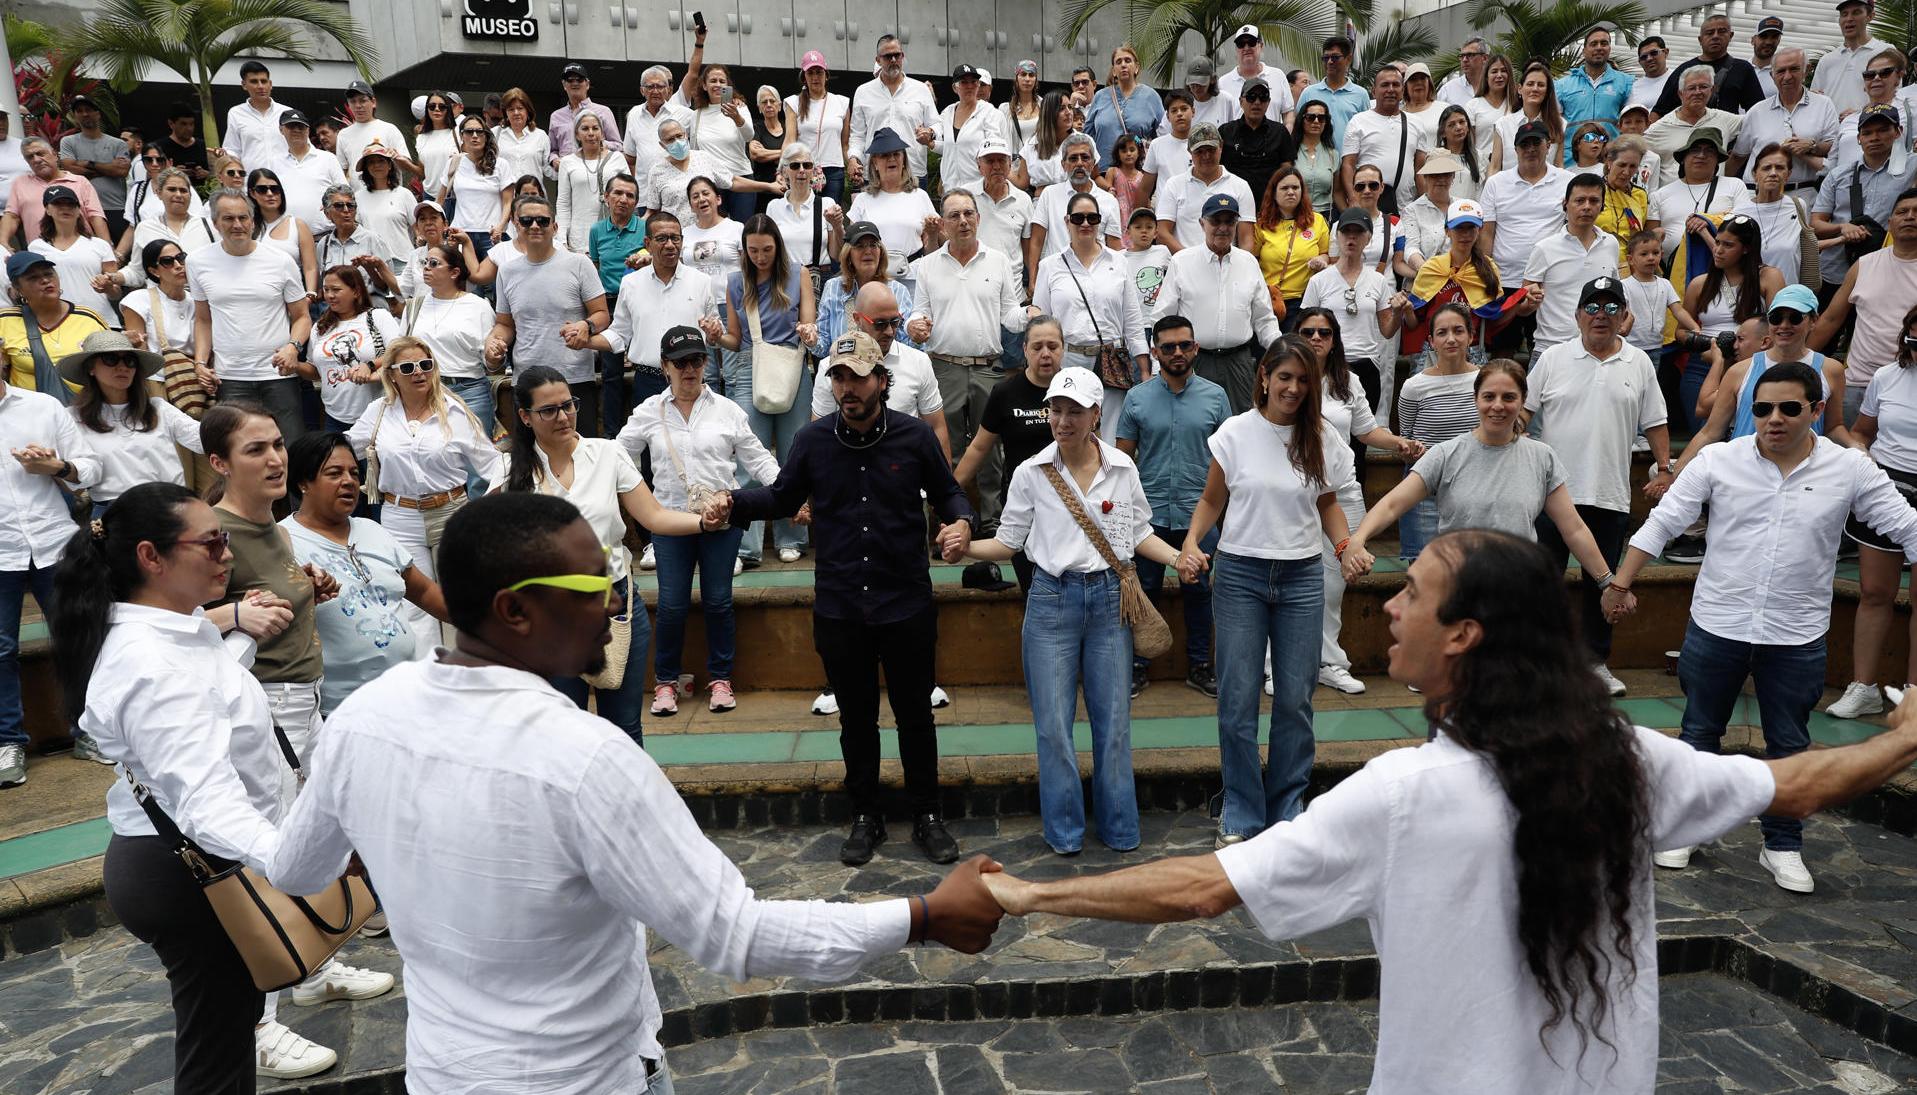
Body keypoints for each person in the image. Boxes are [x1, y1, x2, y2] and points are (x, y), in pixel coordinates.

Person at [980, 514, 1917, 1091]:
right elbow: (1795, 781)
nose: (1388, 603)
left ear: (1463, 634)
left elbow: (1202, 889)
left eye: (1414, 593)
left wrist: (1027, 896)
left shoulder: (1402, 795)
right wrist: (1907, 736)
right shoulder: (1626, 755)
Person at [265, 488, 1004, 1092]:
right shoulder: (582, 758)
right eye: (599, 587)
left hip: (443, 1075)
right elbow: (733, 933)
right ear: (515, 609)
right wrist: (922, 914)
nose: (619, 603)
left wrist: (400, 846)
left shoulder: (364, 719)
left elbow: (296, 869)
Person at [1608, 360, 1917, 895]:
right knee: (1700, 733)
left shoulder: (1850, 469)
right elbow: (1664, 520)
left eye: (1789, 408)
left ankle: (1782, 843)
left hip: (1796, 634)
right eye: (1762, 408)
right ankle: (1687, 828)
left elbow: (1906, 524)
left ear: (1816, 412)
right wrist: (1620, 584)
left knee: (1789, 742)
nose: (1773, 419)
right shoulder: (1719, 460)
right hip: (1717, 623)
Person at [48, 482, 289, 1083]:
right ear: (151, 557)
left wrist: (240, 637)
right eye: (210, 543)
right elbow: (205, 800)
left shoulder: (172, 633)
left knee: (226, 1032)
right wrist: (294, 861)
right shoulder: (152, 662)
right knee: (217, 1051)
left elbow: (201, 699)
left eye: (225, 539)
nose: (226, 554)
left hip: (186, 860)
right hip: (187, 869)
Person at [716, 330, 976, 866]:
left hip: (905, 602)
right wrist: (732, 502)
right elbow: (783, 496)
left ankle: (927, 814)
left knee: (914, 716)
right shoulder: (812, 442)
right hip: (840, 607)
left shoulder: (913, 437)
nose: (848, 387)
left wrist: (963, 522)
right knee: (855, 720)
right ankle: (866, 816)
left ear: (883, 380)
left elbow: (949, 489)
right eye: (838, 376)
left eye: (858, 376)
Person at [960, 364, 1175, 854]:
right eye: (1056, 409)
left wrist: (1179, 557)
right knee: (1053, 727)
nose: (1062, 420)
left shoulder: (1123, 468)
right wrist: (967, 549)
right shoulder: (1031, 471)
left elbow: (1139, 533)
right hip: (1051, 599)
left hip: (1109, 602)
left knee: (1114, 722)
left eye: (1074, 411)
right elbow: (1009, 541)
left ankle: (1120, 827)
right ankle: (1064, 831)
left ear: (1096, 414)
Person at [1175, 336, 1354, 845]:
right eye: (1285, 377)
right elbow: (1213, 500)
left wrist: (1345, 547)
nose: (1293, 388)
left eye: (1303, 380)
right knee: (1236, 700)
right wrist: (1190, 541)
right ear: (1264, 377)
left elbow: (1328, 506)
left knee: (1296, 699)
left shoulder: (1321, 437)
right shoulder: (1235, 433)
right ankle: (1241, 807)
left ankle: (1287, 805)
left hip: (1300, 576)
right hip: (1239, 576)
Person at [504, 365, 708, 739]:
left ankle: (631, 799)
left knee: (625, 726)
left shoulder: (608, 453)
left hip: (615, 605)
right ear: (525, 417)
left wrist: (705, 523)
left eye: (569, 405)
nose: (563, 416)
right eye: (549, 410)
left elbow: (655, 516)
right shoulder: (510, 470)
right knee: (565, 730)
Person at [1526, 276, 1671, 696]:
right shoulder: (1553, 358)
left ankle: (1595, 663)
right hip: (1551, 497)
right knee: (1542, 584)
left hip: (1610, 493)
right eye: (1592, 307)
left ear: (1625, 317)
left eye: (1611, 308)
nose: (1601, 316)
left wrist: (1664, 467)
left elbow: (1656, 421)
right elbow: (1524, 411)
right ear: (1577, 315)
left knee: (1602, 588)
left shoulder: (1640, 362)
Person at [619, 326, 774, 711]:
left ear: (706, 362)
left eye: (696, 360)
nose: (689, 369)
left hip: (721, 520)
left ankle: (721, 679)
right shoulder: (647, 412)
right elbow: (618, 457)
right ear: (664, 366)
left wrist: (791, 493)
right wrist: (635, 500)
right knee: (671, 603)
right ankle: (665, 682)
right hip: (670, 521)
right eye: (680, 362)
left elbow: (758, 459)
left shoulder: (728, 410)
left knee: (718, 600)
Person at [1346, 357, 1606, 582]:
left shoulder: (1542, 457)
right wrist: (1359, 539)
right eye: (1489, 396)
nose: (1498, 406)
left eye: (1509, 397)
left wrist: (1607, 581)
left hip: (1518, 591)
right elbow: (1393, 504)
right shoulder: (1446, 454)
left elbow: (1573, 528)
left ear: (1523, 401)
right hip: (1458, 589)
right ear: (1476, 398)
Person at [283, 431, 446, 715]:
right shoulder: (283, 541)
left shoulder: (373, 531)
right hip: (338, 708)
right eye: (334, 473)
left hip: (405, 696)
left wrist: (489, 625)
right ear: (303, 482)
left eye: (354, 473)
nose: (349, 481)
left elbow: (427, 593)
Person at [1116, 316, 1232, 698]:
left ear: (1196, 347)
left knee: (1200, 593)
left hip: (1200, 514)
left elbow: (1230, 462)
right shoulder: (1136, 398)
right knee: (1142, 589)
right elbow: (1122, 462)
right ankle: (1137, 665)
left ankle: (1200, 665)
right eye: (1168, 347)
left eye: (1185, 345)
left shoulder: (1216, 397)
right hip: (1147, 517)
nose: (1178, 353)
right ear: (1155, 352)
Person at [0, 350, 98, 784]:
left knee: (77, 637)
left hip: (53, 542)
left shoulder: (42, 406)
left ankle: (91, 728)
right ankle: (8, 743)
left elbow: (91, 469)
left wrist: (56, 466)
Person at [703, 215, 816, 567]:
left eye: (767, 249)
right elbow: (735, 341)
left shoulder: (797, 274)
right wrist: (715, 335)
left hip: (793, 366)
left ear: (778, 246)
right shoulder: (736, 282)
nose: (760, 257)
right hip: (752, 365)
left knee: (793, 456)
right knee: (749, 458)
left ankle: (792, 537)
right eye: (753, 250)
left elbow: (808, 323)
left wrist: (808, 332)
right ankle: (745, 546)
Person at [908, 188, 1026, 511]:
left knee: (989, 449)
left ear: (979, 218)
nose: (962, 221)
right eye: (954, 215)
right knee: (946, 448)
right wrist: (913, 325)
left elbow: (1011, 316)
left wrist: (1031, 314)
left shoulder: (999, 261)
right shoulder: (928, 265)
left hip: (988, 368)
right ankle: (950, 517)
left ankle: (991, 521)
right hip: (943, 368)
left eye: (968, 213)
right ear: (943, 224)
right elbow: (919, 312)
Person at [1829, 304, 1917, 720]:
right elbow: (1863, 431)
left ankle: (1914, 698)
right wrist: (1861, 456)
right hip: (1886, 488)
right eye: (1914, 341)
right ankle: (1863, 687)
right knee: (1874, 592)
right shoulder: (1886, 377)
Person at [188, 189, 311, 442]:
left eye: (243, 218)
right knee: (242, 449)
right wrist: (200, 362)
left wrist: (293, 347)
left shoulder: (280, 260)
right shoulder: (197, 261)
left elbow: (302, 316)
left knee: (291, 448)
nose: (237, 225)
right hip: (230, 376)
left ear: (253, 221)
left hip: (278, 374)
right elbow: (203, 319)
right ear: (215, 223)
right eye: (228, 218)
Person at [486, 194, 610, 434]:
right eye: (527, 220)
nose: (535, 226)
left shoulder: (579, 264)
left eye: (542, 221)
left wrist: (586, 326)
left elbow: (602, 314)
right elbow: (505, 324)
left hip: (573, 377)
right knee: (530, 460)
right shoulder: (507, 272)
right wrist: (494, 341)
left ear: (555, 227)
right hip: (527, 379)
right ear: (515, 225)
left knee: (579, 456)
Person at [1153, 193, 1281, 417]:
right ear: (1202, 224)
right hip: (1194, 362)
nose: (1223, 228)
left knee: (1242, 426)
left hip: (1239, 362)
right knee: (1193, 425)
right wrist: (1159, 364)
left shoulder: (1249, 262)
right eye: (1216, 221)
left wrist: (1282, 349)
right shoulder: (1181, 262)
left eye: (1229, 221)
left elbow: (1264, 319)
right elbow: (1162, 319)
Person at [1032, 190, 1149, 432]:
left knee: (1111, 435)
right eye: (1078, 218)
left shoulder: (1119, 262)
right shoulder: (1049, 266)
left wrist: (1145, 370)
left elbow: (1133, 322)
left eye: (1092, 218)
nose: (1085, 224)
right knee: (1071, 431)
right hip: (1069, 359)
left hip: (1112, 359)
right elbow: (1042, 325)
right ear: (1067, 221)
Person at [1814, 189, 1917, 424]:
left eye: (1916, 212)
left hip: (1910, 385)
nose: (1910, 216)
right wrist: (1798, 362)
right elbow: (1831, 319)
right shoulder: (1864, 265)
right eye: (1902, 212)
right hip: (1857, 384)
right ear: (1889, 223)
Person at [1478, 122, 1570, 354]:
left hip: (1549, 283)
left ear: (1548, 145)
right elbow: (1487, 232)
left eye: (1536, 143)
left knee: (1547, 352)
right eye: (1524, 144)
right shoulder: (1496, 183)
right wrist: (1487, 278)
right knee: (1501, 353)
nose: (1530, 149)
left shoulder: (1567, 181)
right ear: (1515, 150)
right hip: (1506, 281)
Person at [1812, 105, 1917, 298]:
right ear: (1859, 139)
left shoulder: (1912, 166)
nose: (1874, 137)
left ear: (1898, 132)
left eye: (1883, 130)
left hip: (1890, 271)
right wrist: (1843, 227)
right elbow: (1816, 223)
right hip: (1837, 269)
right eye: (1867, 133)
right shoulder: (1838, 175)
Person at [1518, 171, 1618, 363]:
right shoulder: (1545, 248)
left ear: (1602, 205)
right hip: (1551, 349)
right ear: (1565, 204)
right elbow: (1522, 307)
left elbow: (1615, 291)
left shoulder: (1611, 244)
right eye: (1579, 201)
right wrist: (1529, 302)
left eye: (1594, 201)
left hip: (1599, 350)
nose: (1587, 207)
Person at [584, 173, 647, 433]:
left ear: (636, 202)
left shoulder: (645, 228)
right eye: (618, 193)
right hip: (609, 304)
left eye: (630, 195)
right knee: (611, 373)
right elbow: (595, 268)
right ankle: (612, 433)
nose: (623, 199)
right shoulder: (597, 230)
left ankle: (644, 428)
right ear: (606, 197)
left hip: (642, 303)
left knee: (646, 367)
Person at [299, 264, 397, 431]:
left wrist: (370, 365)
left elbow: (400, 352)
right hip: (334, 417)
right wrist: (295, 366)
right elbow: (316, 372)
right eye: (326, 289)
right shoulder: (320, 327)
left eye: (336, 290)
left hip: (378, 415)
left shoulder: (377, 316)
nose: (330, 295)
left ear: (356, 291)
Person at [1729, 50, 1837, 193]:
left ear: (1806, 71)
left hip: (1802, 193)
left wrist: (1812, 146)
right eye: (1780, 71)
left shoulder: (1823, 104)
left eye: (1794, 69)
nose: (1787, 76)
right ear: (1772, 76)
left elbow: (1834, 147)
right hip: (1757, 194)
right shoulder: (1758, 110)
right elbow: (1738, 156)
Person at [0, 252, 108, 394]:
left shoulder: (88, 318)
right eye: (33, 278)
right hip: (31, 412)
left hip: (84, 409)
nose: (45, 280)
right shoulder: (5, 321)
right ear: (18, 288)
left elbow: (110, 366)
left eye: (49, 274)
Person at [848, 129, 939, 292]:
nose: (891, 159)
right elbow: (850, 247)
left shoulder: (920, 196)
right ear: (874, 162)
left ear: (904, 159)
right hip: (873, 281)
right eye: (884, 155)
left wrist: (933, 234)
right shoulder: (862, 200)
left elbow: (932, 253)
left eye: (896, 154)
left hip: (913, 279)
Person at [848, 35, 940, 190]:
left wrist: (930, 132)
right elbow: (857, 135)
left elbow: (937, 124)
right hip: (875, 174)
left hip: (913, 173)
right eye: (887, 56)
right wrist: (853, 158)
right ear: (878, 60)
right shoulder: (863, 92)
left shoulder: (920, 90)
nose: (893, 60)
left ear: (902, 56)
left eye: (897, 55)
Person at [1151, 124, 1255, 253]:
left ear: (1221, 146)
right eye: (1199, 151)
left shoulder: (1240, 186)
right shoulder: (1174, 185)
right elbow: (1162, 233)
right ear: (1189, 151)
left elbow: (1247, 239)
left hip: (1227, 266)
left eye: (1211, 150)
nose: (1206, 156)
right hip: (1185, 267)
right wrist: (1191, 261)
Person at [676, 62, 757, 223]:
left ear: (728, 86)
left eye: (722, 81)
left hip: (741, 176)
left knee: (743, 228)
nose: (717, 85)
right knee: (714, 228)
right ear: (704, 86)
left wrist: (736, 117)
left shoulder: (739, 108)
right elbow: (694, 151)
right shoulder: (697, 115)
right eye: (713, 81)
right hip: (712, 182)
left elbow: (749, 136)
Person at [29, 184, 118, 325]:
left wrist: (107, 287)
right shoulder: (35, 248)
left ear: (78, 211)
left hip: (100, 319)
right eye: (58, 204)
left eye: (71, 204)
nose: (65, 208)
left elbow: (116, 292)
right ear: (47, 209)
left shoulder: (100, 245)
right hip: (56, 323)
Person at [1253, 166, 1331, 323]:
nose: (1290, 192)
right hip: (1268, 300)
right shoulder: (1261, 224)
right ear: (1274, 193)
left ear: (1302, 191)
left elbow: (1325, 253)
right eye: (1284, 188)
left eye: (1295, 187)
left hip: (1303, 301)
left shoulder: (1317, 221)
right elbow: (1252, 260)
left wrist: (1322, 260)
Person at [1029, 134, 1122, 264]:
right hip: (1057, 276)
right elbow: (1036, 242)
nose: (1079, 163)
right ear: (1063, 164)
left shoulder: (1109, 201)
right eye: (1073, 159)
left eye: (1085, 158)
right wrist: (1033, 282)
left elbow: (1114, 247)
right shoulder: (1049, 195)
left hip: (1095, 276)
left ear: (1093, 163)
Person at [1644, 68, 1743, 190]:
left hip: (1714, 202)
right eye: (1691, 88)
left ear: (1712, 90)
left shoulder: (1724, 120)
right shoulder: (1659, 129)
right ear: (1680, 93)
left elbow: (1758, 119)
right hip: (1672, 202)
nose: (1698, 92)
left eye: (1703, 87)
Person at [1, 137, 109, 245]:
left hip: (81, 250)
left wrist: (107, 247)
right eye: (30, 157)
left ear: (54, 154)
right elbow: (11, 217)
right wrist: (3, 242)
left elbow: (96, 217)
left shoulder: (79, 182)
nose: (36, 160)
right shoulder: (20, 183)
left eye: (40, 154)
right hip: (40, 254)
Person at [1653, 13, 1765, 117]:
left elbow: (1758, 111)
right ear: (1700, 39)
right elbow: (1659, 111)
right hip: (1688, 135)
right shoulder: (1684, 70)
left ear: (1730, 35)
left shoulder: (1742, 69)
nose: (1715, 36)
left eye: (1721, 31)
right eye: (1709, 33)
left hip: (1728, 135)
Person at [437, 116, 512, 267]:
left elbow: (508, 201)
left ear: (486, 135)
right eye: (469, 132)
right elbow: (440, 200)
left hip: (491, 234)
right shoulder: (454, 163)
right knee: (466, 283)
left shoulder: (501, 164)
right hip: (461, 233)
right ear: (462, 136)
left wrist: (500, 226)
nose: (475, 136)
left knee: (493, 285)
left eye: (479, 132)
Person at [1342, 67, 1416, 214]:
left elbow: (1420, 169)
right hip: (1368, 207)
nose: (1390, 89)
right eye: (1384, 85)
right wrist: (1353, 198)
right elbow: (1348, 164)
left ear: (1402, 90)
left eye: (1396, 85)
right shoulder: (1358, 121)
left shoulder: (1416, 123)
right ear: (1374, 90)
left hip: (1407, 208)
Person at [767, 143, 844, 285]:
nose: (802, 170)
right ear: (784, 172)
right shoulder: (774, 207)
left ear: (813, 171)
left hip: (820, 278)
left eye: (807, 165)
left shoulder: (827, 203)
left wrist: (837, 226)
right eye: (795, 166)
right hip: (785, 279)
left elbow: (836, 255)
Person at [1082, 45, 1163, 171]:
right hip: (1104, 173)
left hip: (1138, 174)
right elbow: (1087, 136)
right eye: (1118, 62)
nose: (1123, 65)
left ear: (1136, 68)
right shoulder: (1100, 96)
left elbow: (1161, 136)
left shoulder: (1151, 97)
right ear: (1114, 71)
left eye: (1128, 60)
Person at [783, 53, 852, 201]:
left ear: (826, 75)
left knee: (830, 216)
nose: (815, 77)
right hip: (803, 168)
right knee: (803, 214)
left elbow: (845, 144)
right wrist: (782, 168)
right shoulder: (793, 103)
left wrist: (852, 163)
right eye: (810, 73)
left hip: (834, 170)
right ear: (804, 77)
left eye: (819, 72)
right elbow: (790, 140)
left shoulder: (842, 102)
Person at [1554, 26, 1633, 156]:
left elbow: (1631, 125)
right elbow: (1554, 126)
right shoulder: (1562, 85)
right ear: (1584, 50)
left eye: (1604, 43)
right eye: (1593, 44)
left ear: (1609, 49)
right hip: (1572, 161)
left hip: (1609, 159)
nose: (1599, 47)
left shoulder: (1626, 82)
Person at [1219, 77, 1295, 207]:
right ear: (1241, 101)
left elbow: (1286, 172)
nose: (1257, 102)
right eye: (1251, 97)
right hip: (1232, 205)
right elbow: (1217, 169)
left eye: (1263, 97)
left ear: (1269, 102)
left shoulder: (1280, 132)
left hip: (1270, 207)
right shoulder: (1226, 132)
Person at [247, 167, 319, 300]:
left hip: (292, 298)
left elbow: (310, 267)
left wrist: (309, 296)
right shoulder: (247, 226)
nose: (270, 194)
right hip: (255, 298)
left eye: (274, 189)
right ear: (252, 193)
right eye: (262, 189)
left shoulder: (297, 225)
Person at [933, 64, 1005, 196]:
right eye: (964, 82)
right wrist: (930, 140)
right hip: (950, 189)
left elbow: (994, 147)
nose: (970, 86)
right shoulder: (948, 112)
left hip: (979, 189)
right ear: (955, 87)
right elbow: (949, 146)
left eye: (974, 82)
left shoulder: (989, 112)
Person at [1817, 0, 1899, 115]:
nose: (1849, 18)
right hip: (1830, 131)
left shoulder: (1886, 51)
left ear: (1870, 16)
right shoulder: (1826, 60)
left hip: (1871, 129)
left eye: (1856, 12)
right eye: (1844, 14)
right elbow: (1816, 100)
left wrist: (1860, 115)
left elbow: (1896, 98)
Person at [554, 114, 621, 254]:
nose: (591, 133)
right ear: (577, 135)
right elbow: (563, 204)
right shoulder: (567, 162)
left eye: (595, 128)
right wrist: (562, 239)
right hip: (580, 237)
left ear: (602, 134)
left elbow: (629, 194)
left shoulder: (617, 158)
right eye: (585, 128)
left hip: (613, 232)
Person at [120, 240, 196, 360]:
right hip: (157, 375)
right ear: (154, 271)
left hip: (196, 375)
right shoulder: (139, 299)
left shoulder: (197, 300)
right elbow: (140, 352)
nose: (178, 265)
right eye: (167, 261)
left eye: (181, 258)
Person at [270, 110, 345, 232]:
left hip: (324, 237)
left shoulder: (328, 159)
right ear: (281, 130)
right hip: (287, 238)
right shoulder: (274, 163)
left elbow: (344, 194)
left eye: (300, 126)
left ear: (308, 130)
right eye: (290, 126)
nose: (296, 130)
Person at [334, 80, 422, 182]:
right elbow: (342, 170)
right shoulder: (343, 134)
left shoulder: (389, 129)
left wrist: (396, 157)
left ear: (373, 102)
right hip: (359, 196)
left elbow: (406, 166)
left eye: (363, 100)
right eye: (353, 101)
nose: (358, 105)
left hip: (390, 194)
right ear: (349, 105)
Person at [1296, 36, 1370, 153]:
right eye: (1326, 58)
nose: (1330, 62)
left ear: (1348, 59)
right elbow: (1298, 127)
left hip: (1348, 163)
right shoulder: (1309, 92)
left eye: (1335, 57)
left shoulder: (1361, 94)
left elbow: (1366, 131)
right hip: (1314, 164)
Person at [549, 61, 624, 164]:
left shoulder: (603, 111)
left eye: (579, 80)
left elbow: (618, 146)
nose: (575, 83)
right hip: (566, 173)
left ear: (587, 84)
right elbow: (553, 150)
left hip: (597, 171)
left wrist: (598, 142)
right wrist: (554, 160)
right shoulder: (556, 116)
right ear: (564, 85)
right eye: (570, 80)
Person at [1401, 154, 1465, 271]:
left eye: (1446, 174)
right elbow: (1411, 248)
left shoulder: (1462, 206)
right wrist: (1427, 271)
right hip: (1427, 278)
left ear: (1453, 176)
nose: (1441, 179)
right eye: (1435, 174)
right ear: (1425, 177)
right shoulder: (1411, 210)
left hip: (1460, 276)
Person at [492, 87, 553, 191]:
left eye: (520, 108)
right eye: (511, 109)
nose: (516, 112)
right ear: (505, 112)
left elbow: (548, 170)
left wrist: (563, 165)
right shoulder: (494, 134)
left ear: (527, 110)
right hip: (504, 198)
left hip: (533, 198)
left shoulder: (540, 135)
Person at [1465, 54, 1515, 167]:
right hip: (1482, 167)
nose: (1499, 75)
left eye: (1503, 71)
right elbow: (1469, 144)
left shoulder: (1517, 105)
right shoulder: (1473, 105)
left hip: (1511, 167)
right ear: (1486, 76)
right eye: (1494, 71)